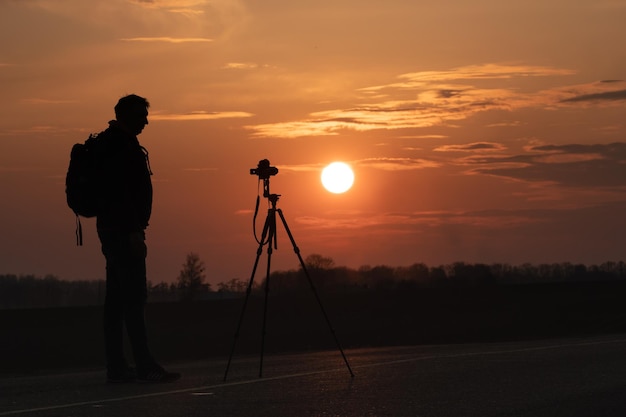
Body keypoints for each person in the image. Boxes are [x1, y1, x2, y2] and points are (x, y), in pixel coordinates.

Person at [96, 94, 180, 383]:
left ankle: (118, 368)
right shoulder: (121, 147)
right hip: (124, 232)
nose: (146, 121)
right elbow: (122, 195)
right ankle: (143, 365)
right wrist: (134, 231)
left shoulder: (112, 143)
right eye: (142, 115)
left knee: (116, 302)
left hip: (113, 230)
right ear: (127, 116)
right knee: (133, 299)